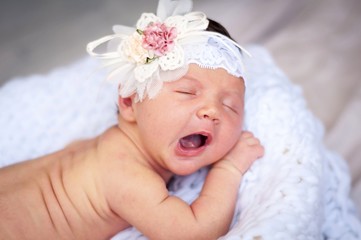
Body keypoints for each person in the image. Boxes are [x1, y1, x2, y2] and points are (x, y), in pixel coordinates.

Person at [0, 0, 264, 239]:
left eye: (230, 106)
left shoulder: (99, 147)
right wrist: (228, 170)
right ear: (128, 102)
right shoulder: (128, 175)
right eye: (187, 92)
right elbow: (193, 232)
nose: (212, 111)